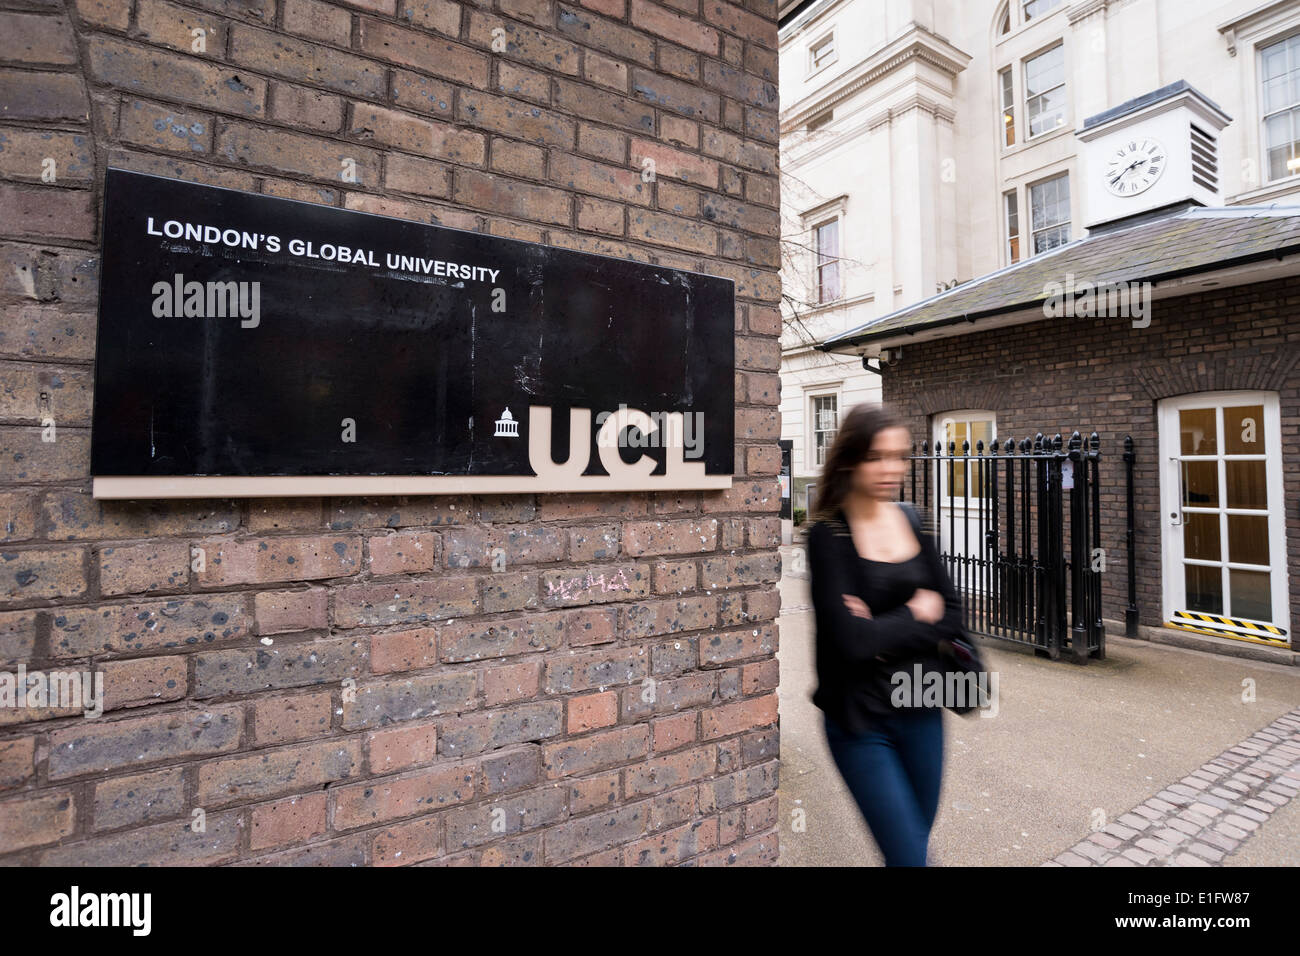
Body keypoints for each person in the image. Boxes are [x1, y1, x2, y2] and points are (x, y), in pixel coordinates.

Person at [806, 403, 967, 866]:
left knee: (912, 846)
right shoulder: (828, 535)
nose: (891, 468)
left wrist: (878, 626)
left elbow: (953, 614)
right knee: (912, 859)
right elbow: (851, 644)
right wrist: (916, 613)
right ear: (851, 459)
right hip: (861, 721)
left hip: (922, 709)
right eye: (877, 456)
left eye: (899, 456)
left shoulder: (914, 519)